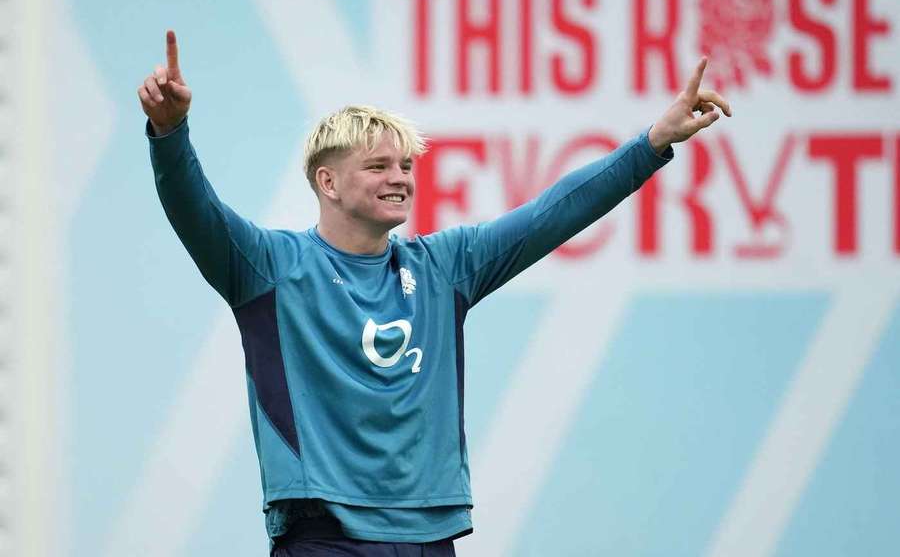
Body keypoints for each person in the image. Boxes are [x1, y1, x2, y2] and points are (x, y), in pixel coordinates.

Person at [138, 29, 731, 557]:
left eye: (404, 165)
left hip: (430, 533)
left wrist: (652, 142)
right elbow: (196, 210)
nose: (399, 178)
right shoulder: (269, 267)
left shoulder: (446, 266)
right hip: (324, 536)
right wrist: (170, 132)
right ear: (328, 181)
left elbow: (555, 212)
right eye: (377, 166)